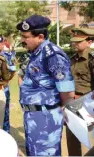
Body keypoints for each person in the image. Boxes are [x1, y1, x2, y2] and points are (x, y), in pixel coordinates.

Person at [17, 15, 75, 156]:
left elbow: (67, 91)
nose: (22, 40)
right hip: (33, 116)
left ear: (40, 37)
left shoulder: (52, 55)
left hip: (46, 117)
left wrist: (61, 110)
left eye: (25, 37)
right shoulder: (36, 53)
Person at [67, 27, 94, 156]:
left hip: (89, 103)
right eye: (74, 41)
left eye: (79, 41)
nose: (75, 44)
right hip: (73, 103)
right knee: (72, 137)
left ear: (89, 41)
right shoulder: (72, 59)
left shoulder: (92, 59)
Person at [0, 39, 17, 133]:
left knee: (5, 113)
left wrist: (6, 81)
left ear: (2, 44)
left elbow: (13, 70)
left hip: (4, 88)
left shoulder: (8, 56)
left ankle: (6, 134)